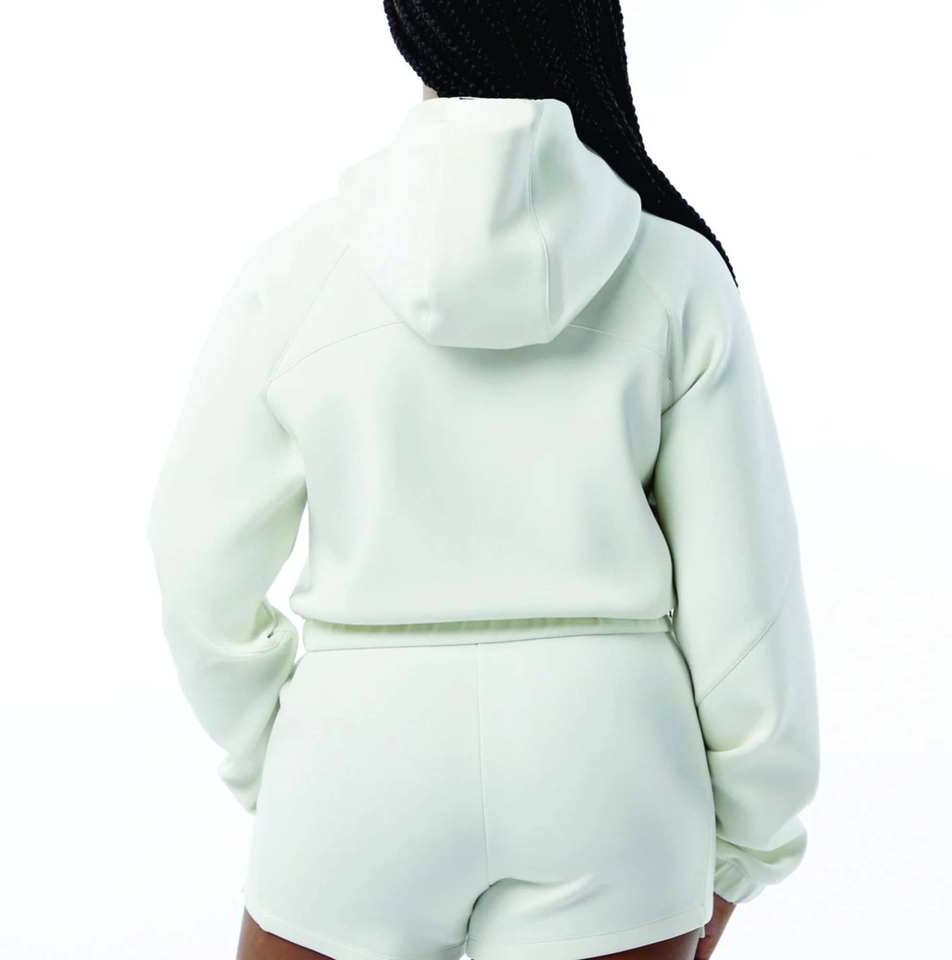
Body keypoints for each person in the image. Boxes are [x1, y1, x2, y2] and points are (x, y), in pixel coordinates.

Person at [147, 2, 820, 959]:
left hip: (358, 746)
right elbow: (746, 604)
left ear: (413, 32)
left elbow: (196, 557)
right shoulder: (675, 272)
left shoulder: (297, 267)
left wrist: (282, 753)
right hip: (610, 757)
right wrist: (746, 843)